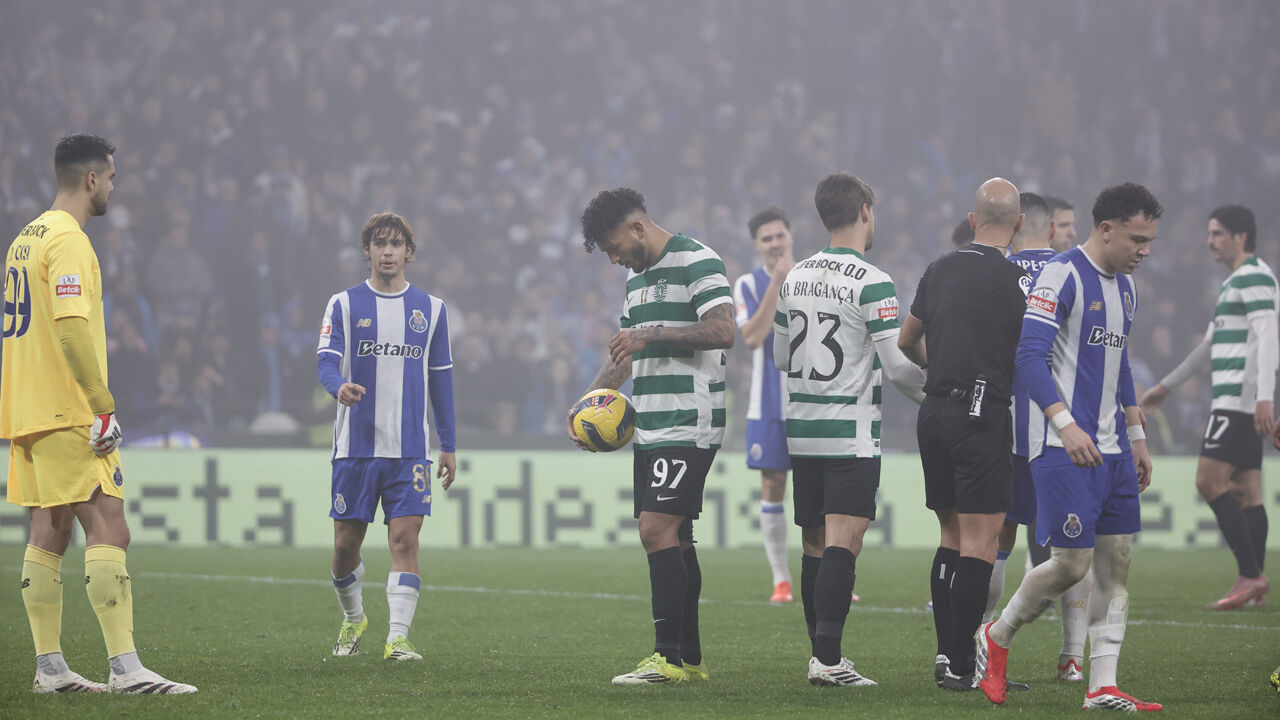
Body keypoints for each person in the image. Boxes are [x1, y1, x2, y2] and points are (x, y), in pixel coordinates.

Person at [2, 134, 196, 694]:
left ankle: (50, 668)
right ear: (91, 179)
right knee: (111, 524)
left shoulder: (24, 237)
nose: (112, 187)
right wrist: (101, 404)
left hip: (24, 406)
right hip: (67, 409)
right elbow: (68, 325)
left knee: (49, 530)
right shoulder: (69, 242)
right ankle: (126, 668)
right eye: (110, 178)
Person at [977, 183, 1163, 712]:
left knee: (1116, 564)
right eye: (1137, 238)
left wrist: (1137, 437)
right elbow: (1029, 358)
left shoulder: (1127, 288)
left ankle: (1102, 685)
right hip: (1062, 447)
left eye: (1150, 239)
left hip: (1114, 451)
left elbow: (1120, 364)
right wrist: (1064, 425)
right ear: (1106, 229)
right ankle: (999, 635)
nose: (1145, 249)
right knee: (1071, 565)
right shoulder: (1059, 275)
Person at [570, 188, 735, 685]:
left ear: (637, 227)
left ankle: (665, 660)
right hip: (652, 424)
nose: (614, 257)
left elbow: (725, 329)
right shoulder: (634, 281)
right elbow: (626, 351)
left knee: (653, 530)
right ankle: (690, 659)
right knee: (677, 538)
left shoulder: (697, 260)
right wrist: (587, 402)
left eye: (614, 245)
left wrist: (653, 332)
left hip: (690, 419)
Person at [773, 172, 925, 686]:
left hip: (803, 429)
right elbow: (900, 368)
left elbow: (778, 355)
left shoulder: (793, 277)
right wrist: (940, 396)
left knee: (815, 542)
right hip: (849, 430)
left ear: (821, 218)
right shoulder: (872, 280)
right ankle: (829, 661)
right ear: (865, 210)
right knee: (845, 540)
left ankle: (821, 656)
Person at [898, 178, 1028, 690]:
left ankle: (946, 660)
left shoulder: (939, 268)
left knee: (951, 536)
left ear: (972, 221)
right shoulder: (1015, 280)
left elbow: (908, 340)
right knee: (982, 541)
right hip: (982, 412)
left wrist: (946, 367)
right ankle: (963, 665)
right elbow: (1030, 353)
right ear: (1018, 224)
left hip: (934, 412)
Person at [316, 212, 457, 662]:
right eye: (380, 243)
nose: (389, 251)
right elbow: (325, 360)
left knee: (405, 542)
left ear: (409, 253)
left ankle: (397, 638)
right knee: (344, 547)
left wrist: (449, 444)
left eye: (397, 244)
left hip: (409, 451)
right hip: (355, 448)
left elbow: (442, 379)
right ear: (368, 250)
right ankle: (354, 617)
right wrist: (337, 386)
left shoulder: (432, 310)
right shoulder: (343, 304)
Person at [1139, 204, 1274, 610]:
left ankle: (1250, 574)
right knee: (1248, 491)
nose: (1210, 241)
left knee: (1207, 481)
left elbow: (1269, 339)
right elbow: (1210, 346)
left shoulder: (1255, 277)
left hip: (1237, 401)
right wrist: (1166, 385)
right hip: (1243, 401)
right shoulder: (1234, 282)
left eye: (1217, 234)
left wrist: (1265, 395)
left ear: (1240, 237)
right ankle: (1255, 591)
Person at [1003, 192, 1091, 683]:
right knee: (1074, 550)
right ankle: (1072, 657)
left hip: (1006, 429)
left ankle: (981, 641)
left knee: (994, 540)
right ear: (1052, 227)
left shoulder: (996, 274)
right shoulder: (1073, 275)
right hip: (1065, 431)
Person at [733, 206, 798, 604]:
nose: (775, 243)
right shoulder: (747, 284)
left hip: (811, 399)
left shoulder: (814, 276)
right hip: (768, 400)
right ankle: (781, 579)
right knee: (773, 485)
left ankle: (830, 577)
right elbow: (753, 336)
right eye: (766, 238)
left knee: (820, 490)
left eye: (779, 235)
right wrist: (777, 282)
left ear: (790, 236)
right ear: (757, 246)